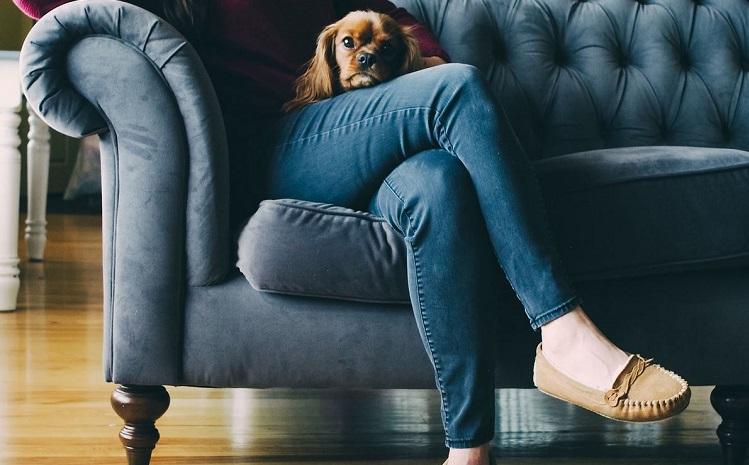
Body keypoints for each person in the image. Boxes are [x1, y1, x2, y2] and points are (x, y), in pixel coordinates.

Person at [13, 1, 691, 464]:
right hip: (278, 143)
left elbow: (400, 24)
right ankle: (564, 330)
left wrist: (408, 65)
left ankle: (468, 449)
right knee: (457, 88)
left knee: (440, 183)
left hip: (368, 134)